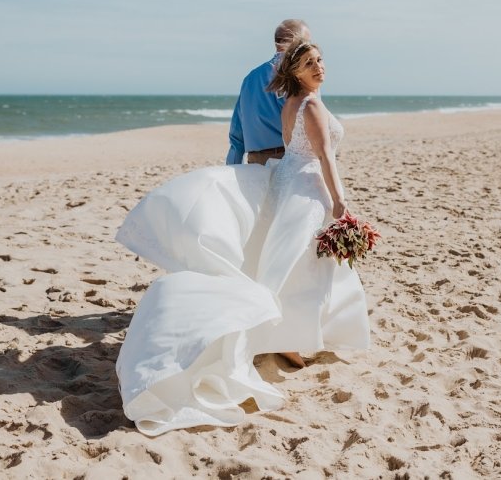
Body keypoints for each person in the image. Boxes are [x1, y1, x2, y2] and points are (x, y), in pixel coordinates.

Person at [114, 36, 369, 436]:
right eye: (310, 64)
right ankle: (280, 336)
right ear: (295, 71)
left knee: (289, 260)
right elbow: (325, 159)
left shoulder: (291, 103)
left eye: (321, 61)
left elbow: (290, 149)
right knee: (296, 264)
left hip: (288, 183)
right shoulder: (312, 104)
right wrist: (341, 201)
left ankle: (288, 334)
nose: (319, 68)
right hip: (306, 189)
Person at [226, 19, 311, 166]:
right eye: (307, 43)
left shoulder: (250, 78)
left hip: (254, 163)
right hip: (288, 161)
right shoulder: (300, 74)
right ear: (295, 41)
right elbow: (308, 122)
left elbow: (236, 135)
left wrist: (232, 168)